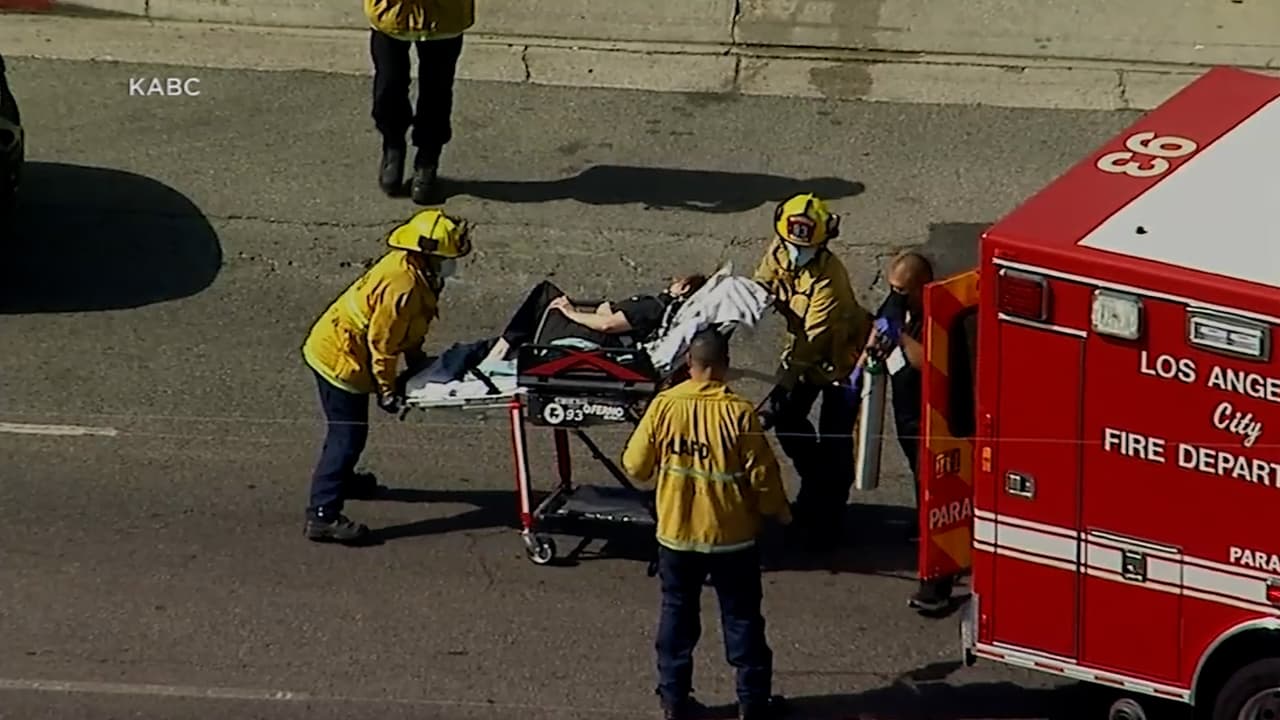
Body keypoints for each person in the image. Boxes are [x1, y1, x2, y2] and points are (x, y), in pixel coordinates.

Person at [622, 329, 792, 720]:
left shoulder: (665, 405)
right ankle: (752, 703)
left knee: (677, 618)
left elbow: (635, 466)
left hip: (677, 537)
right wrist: (780, 513)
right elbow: (764, 476)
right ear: (725, 365)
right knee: (743, 620)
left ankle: (674, 701)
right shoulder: (739, 412)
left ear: (690, 365)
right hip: (732, 538)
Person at [300, 209, 472, 543]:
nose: (452, 263)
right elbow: (383, 343)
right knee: (346, 437)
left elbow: (410, 326)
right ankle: (323, 514)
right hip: (339, 360)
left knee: (351, 434)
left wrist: (418, 359)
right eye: (447, 257)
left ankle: (341, 480)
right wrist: (387, 390)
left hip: (347, 352)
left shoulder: (416, 273)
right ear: (426, 255)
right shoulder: (402, 285)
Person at [753, 193, 871, 548]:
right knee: (789, 421)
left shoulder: (830, 277)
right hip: (802, 355)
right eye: (791, 243)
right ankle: (814, 481)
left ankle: (830, 517)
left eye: (805, 246)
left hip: (841, 363)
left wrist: (782, 384)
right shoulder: (779, 249)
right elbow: (763, 281)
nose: (795, 251)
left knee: (835, 440)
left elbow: (813, 337)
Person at [865, 252, 954, 612]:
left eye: (902, 289)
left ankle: (936, 584)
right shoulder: (899, 302)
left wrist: (899, 336)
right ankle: (923, 529)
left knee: (936, 494)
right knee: (921, 484)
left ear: (921, 286)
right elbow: (881, 322)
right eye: (892, 287)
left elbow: (930, 361)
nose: (895, 295)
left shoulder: (938, 312)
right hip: (908, 417)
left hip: (934, 422)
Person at [363, 0, 474, 203]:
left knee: (436, 91)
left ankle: (427, 159)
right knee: (389, 87)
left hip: (445, 16)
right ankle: (393, 145)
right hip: (391, 12)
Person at [481, 274, 707, 364]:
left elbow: (608, 324)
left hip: (593, 342)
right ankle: (502, 348)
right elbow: (608, 318)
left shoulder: (652, 306)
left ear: (684, 288)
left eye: (679, 280)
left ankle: (500, 351)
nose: (674, 280)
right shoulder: (657, 309)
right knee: (541, 309)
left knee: (545, 294)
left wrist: (570, 312)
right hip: (598, 339)